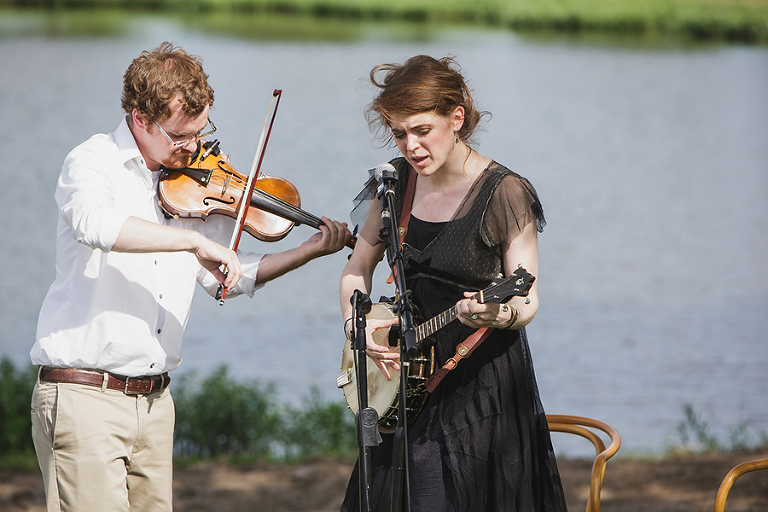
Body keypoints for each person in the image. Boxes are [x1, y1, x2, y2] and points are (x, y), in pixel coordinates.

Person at [30, 42, 351, 512]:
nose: (193, 146)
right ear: (140, 119)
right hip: (86, 398)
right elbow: (96, 226)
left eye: (201, 131)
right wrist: (192, 240)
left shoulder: (191, 185)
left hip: (156, 403)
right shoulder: (91, 162)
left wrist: (306, 251)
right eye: (179, 136)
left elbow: (229, 278)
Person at [338, 55, 567, 511]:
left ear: (456, 118)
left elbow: (529, 301)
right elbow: (356, 269)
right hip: (404, 381)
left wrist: (498, 312)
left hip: (481, 388)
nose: (410, 146)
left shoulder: (505, 193)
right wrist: (355, 326)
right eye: (400, 134)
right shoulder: (394, 182)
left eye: (422, 130)